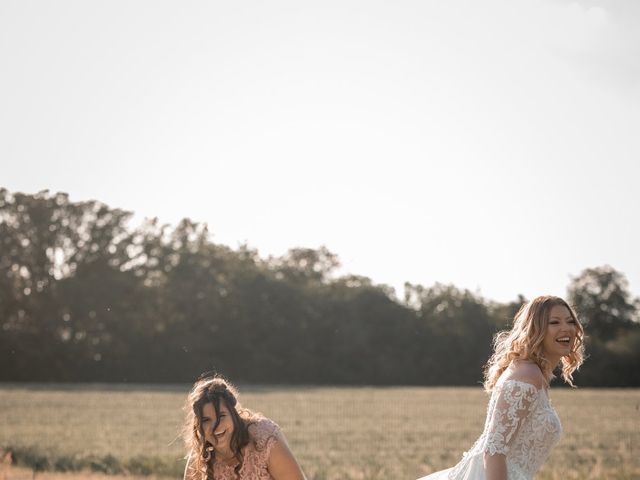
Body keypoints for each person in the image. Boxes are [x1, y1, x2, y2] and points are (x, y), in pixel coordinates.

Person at [417, 295, 585, 480]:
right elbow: (494, 451)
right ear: (535, 329)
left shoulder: (533, 373)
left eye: (570, 321)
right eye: (554, 322)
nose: (566, 328)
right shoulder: (528, 375)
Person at [183, 374, 306, 480]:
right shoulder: (199, 461)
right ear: (198, 426)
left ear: (233, 414)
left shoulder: (265, 442)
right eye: (206, 420)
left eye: (221, 416)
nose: (215, 426)